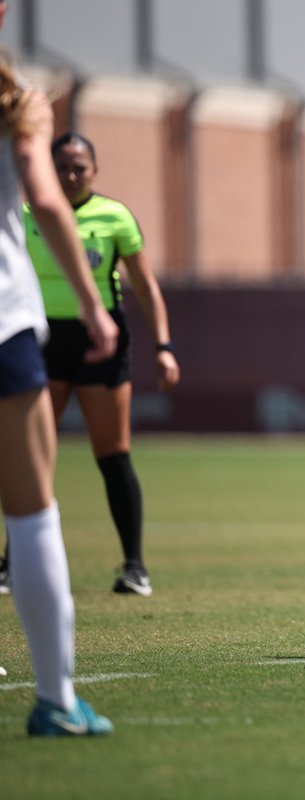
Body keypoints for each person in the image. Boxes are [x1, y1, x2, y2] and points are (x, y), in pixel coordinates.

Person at [0, 0, 119, 735]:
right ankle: (56, 699)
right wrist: (92, 304)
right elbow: (45, 200)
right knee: (33, 512)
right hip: (3, 324)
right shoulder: (19, 104)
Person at [0, 131, 179, 597]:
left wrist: (164, 346)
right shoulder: (26, 215)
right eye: (62, 166)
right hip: (43, 340)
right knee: (30, 454)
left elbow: (145, 286)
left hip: (101, 341)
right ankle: (11, 563)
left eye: (80, 166)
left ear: (95, 170)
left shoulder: (115, 217)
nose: (71, 174)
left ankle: (134, 566)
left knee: (112, 454)